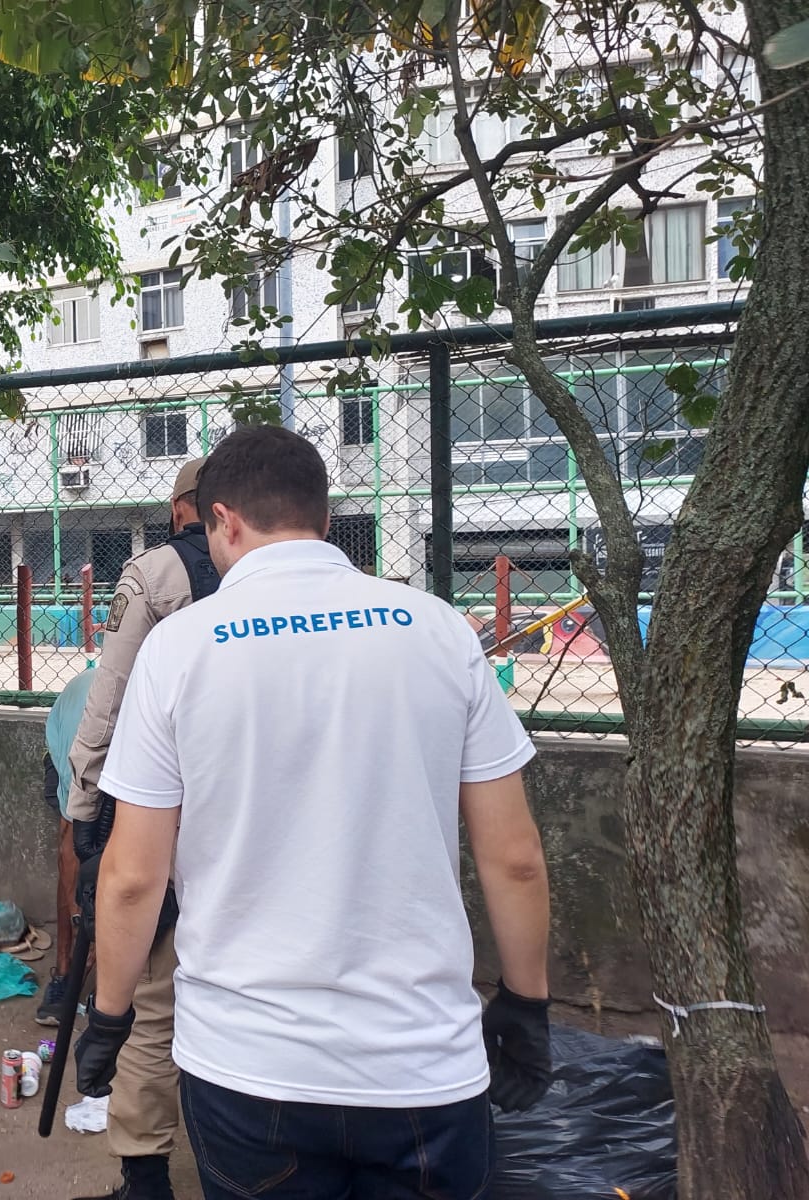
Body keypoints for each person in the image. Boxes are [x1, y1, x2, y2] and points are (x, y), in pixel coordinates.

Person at [74, 427, 553, 1200]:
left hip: (248, 1070)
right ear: (324, 522)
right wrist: (528, 1004)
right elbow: (515, 857)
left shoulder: (181, 650)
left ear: (222, 521)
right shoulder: (435, 629)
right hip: (423, 1069)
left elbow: (133, 876)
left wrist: (110, 1017)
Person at [60, 457, 217, 1200]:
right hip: (260, 816)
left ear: (183, 506)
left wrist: (84, 801)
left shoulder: (156, 572)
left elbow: (109, 691)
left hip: (165, 807)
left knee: (151, 998)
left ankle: (147, 1173)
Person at [36, 665, 96, 1026]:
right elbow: (68, 846)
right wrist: (80, 919)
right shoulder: (86, 739)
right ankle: (62, 973)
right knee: (77, 858)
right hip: (68, 754)